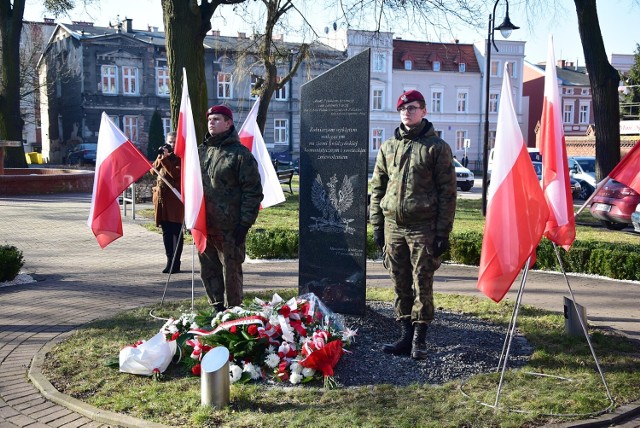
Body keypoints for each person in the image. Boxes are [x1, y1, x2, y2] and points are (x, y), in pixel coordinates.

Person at [369, 90, 457, 360]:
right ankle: (405, 335)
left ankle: (420, 338)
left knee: (422, 282)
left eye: (413, 107)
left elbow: (448, 193)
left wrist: (442, 232)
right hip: (393, 225)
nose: (408, 112)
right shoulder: (388, 147)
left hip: (423, 228)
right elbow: (377, 188)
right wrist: (377, 224)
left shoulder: (437, 148)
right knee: (399, 282)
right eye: (404, 108)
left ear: (424, 111)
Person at [198, 105, 263, 311]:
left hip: (230, 226)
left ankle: (234, 311)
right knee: (209, 269)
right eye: (209, 119)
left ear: (228, 123)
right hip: (204, 224)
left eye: (217, 119)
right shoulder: (201, 152)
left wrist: (244, 223)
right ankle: (216, 307)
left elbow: (252, 192)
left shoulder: (240, 155)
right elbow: (191, 186)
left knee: (231, 270)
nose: (211, 122)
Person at [152, 131, 184, 274]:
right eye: (170, 142)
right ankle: (169, 260)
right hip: (162, 200)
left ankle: (176, 262)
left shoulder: (181, 158)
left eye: (174, 142)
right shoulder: (164, 156)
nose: (171, 145)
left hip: (175, 201)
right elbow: (153, 171)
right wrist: (160, 157)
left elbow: (175, 174)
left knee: (176, 231)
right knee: (166, 231)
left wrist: (165, 159)